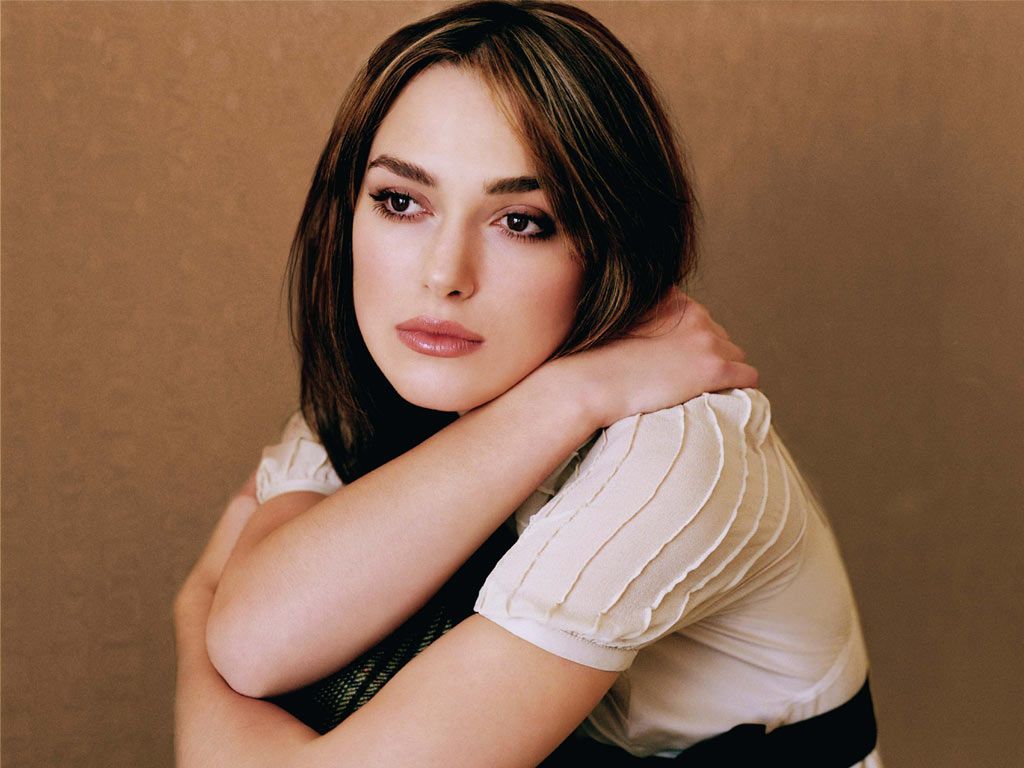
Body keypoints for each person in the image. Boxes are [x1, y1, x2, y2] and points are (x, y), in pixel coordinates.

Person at [173, 2, 881, 766]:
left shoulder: (677, 453)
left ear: (607, 242)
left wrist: (193, 614)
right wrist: (569, 396)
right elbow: (256, 644)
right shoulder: (416, 380)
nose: (443, 275)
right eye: (401, 202)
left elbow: (237, 656)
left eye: (521, 221)